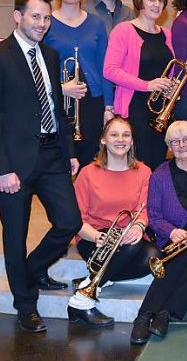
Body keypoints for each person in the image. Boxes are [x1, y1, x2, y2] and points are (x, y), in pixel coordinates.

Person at [0, 0, 83, 332]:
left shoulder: (50, 55)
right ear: (17, 17)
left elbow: (55, 107)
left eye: (47, 17)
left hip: (52, 154)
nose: (42, 23)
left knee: (69, 221)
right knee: (15, 235)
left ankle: (31, 270)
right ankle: (25, 305)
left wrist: (69, 153)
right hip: (15, 163)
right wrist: (2, 168)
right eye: (36, 16)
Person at [130, 121, 187, 344]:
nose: (182, 145)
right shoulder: (159, 174)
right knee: (182, 257)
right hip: (173, 238)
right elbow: (154, 215)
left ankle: (161, 314)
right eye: (175, 141)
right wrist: (173, 233)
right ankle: (149, 316)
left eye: (186, 139)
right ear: (169, 146)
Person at [67, 116, 154, 327]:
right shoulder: (87, 173)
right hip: (95, 237)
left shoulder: (144, 171)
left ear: (132, 141)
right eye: (114, 134)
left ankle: (94, 280)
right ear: (103, 140)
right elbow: (76, 218)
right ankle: (81, 300)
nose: (120, 139)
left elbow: (146, 208)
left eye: (126, 135)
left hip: (129, 235)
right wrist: (96, 236)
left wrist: (139, 225)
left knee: (154, 258)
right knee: (128, 249)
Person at [44, 0, 114, 166]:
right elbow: (40, 66)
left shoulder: (97, 23)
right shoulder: (46, 22)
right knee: (61, 157)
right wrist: (61, 88)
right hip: (60, 99)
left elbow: (104, 67)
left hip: (92, 99)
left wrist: (108, 106)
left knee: (89, 159)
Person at [103, 0, 175, 170]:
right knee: (138, 165)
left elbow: (170, 69)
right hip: (135, 107)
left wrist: (172, 86)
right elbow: (109, 70)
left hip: (160, 109)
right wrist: (147, 85)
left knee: (159, 161)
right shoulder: (124, 30)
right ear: (139, 1)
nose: (157, 4)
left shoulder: (167, 34)